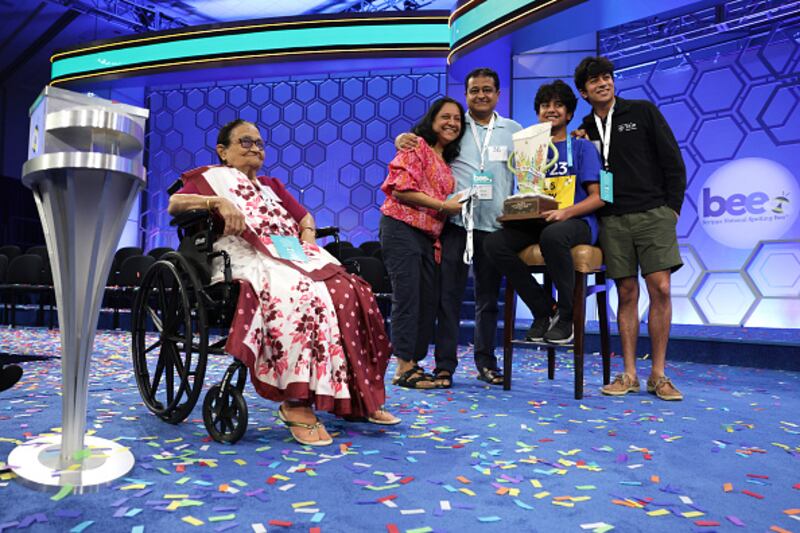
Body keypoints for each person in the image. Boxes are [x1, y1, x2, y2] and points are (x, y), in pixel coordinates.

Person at [169, 119, 400, 446]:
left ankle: (355, 395)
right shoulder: (210, 178)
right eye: (245, 142)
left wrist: (307, 238)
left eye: (259, 144)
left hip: (288, 252)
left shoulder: (271, 186)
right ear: (223, 151)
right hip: (243, 254)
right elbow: (175, 204)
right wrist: (216, 202)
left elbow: (304, 217)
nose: (255, 148)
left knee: (349, 289)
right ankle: (295, 402)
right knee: (299, 292)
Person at [396, 68, 522, 386]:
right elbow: (420, 144)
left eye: (487, 89)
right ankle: (445, 366)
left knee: (488, 300)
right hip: (454, 224)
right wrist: (401, 138)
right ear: (466, 95)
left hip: (495, 227)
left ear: (498, 94)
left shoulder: (514, 130)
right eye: (474, 90)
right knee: (447, 298)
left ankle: (486, 362)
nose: (481, 95)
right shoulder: (454, 126)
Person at [572, 56, 686, 401]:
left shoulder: (642, 111)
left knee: (661, 288)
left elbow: (673, 161)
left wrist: (672, 211)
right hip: (612, 219)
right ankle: (629, 374)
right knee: (626, 293)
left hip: (654, 213)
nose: (603, 83)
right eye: (594, 80)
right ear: (584, 92)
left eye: (606, 77)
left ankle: (659, 375)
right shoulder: (585, 129)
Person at [484, 80, 603, 344]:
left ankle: (568, 316)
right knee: (494, 243)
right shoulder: (529, 152)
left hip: (578, 222)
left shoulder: (582, 147)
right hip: (539, 222)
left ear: (569, 114)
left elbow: (599, 198)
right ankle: (544, 309)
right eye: (545, 105)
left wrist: (566, 213)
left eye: (558, 105)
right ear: (538, 113)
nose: (551, 110)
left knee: (553, 235)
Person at [379, 97, 466, 389]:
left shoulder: (445, 161)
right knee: (408, 297)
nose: (452, 123)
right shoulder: (416, 147)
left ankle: (413, 363)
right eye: (445, 117)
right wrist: (444, 206)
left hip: (428, 237)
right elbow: (400, 190)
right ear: (432, 120)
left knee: (426, 301)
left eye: (457, 119)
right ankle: (402, 367)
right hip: (401, 228)